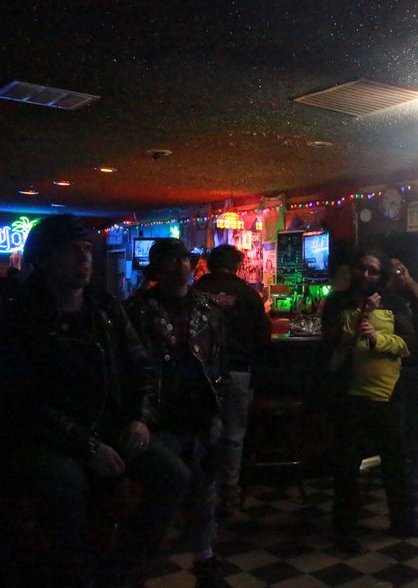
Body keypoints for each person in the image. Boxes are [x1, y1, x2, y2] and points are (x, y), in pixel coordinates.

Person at [0, 215, 188, 587]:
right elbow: (22, 401)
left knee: (174, 474)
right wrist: (86, 446)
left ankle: (122, 568)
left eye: (86, 249)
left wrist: (140, 418)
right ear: (44, 258)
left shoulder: (105, 308)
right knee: (67, 486)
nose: (84, 258)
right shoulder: (19, 315)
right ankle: (74, 575)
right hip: (47, 438)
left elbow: (142, 366)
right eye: (72, 251)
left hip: (109, 427)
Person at [125, 238, 229, 587]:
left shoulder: (207, 307)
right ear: (156, 268)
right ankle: (139, 565)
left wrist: (218, 408)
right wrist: (139, 414)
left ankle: (204, 560)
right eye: (172, 260)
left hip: (200, 409)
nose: (181, 265)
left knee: (204, 489)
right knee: (158, 494)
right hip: (159, 413)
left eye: (184, 258)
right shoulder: (138, 309)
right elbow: (133, 366)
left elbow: (218, 360)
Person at [321, 249, 416, 553]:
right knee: (347, 466)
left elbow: (409, 344)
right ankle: (344, 530)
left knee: (395, 461)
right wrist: (363, 313)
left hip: (389, 393)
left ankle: (402, 522)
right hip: (350, 393)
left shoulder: (395, 303)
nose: (365, 275)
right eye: (362, 268)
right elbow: (332, 341)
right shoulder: (338, 302)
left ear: (381, 275)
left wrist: (378, 339)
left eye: (373, 271)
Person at [195, 244, 271, 513]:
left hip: (201, 373)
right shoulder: (248, 295)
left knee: (203, 430)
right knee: (234, 434)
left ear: (210, 264)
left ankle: (203, 487)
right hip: (238, 369)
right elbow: (263, 336)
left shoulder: (195, 292)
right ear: (237, 266)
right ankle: (229, 489)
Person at [387, 257, 418, 461]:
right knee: (396, 416)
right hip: (392, 362)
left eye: (400, 268)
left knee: (417, 413)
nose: (397, 272)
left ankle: (414, 456)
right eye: (392, 269)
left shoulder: (412, 291)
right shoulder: (385, 295)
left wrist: (408, 279)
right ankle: (398, 455)